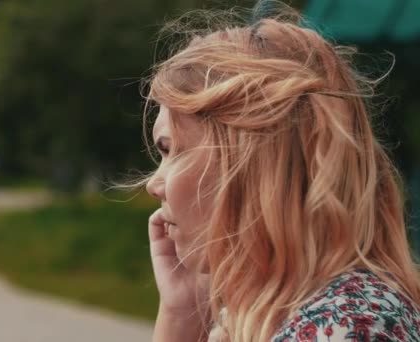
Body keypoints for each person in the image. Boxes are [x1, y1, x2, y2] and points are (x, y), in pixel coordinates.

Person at [129, 2, 420, 341]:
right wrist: (182, 314)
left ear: (249, 160)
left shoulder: (345, 328)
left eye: (168, 149)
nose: (154, 184)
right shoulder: (319, 315)